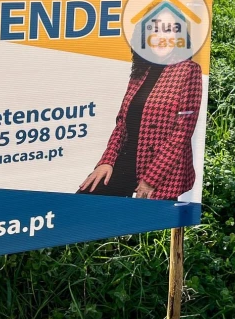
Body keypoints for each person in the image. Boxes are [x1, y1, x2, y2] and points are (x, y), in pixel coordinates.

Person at [78, 17, 203, 201]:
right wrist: (106, 161)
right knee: (82, 204)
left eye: (168, 31)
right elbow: (122, 123)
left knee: (146, 224)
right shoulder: (141, 69)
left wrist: (150, 180)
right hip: (126, 160)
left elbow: (181, 134)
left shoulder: (188, 70)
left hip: (162, 170)